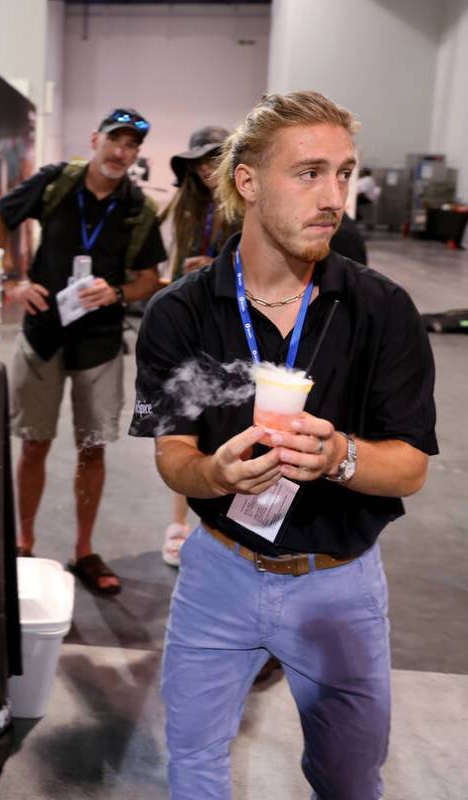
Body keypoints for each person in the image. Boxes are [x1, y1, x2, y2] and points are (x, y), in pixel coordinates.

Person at [130, 91, 437, 797]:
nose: (332, 196)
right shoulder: (180, 312)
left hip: (340, 583)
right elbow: (171, 455)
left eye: (342, 173)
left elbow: (410, 466)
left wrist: (341, 458)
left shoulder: (380, 308)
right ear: (246, 181)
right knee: (194, 764)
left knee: (348, 777)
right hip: (217, 573)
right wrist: (212, 471)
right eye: (308, 173)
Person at [0, 108, 166, 594]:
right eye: (114, 141)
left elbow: (150, 276)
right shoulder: (55, 184)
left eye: (131, 146)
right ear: (95, 139)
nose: (120, 153)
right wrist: (14, 280)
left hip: (100, 343)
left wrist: (119, 293)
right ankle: (24, 543)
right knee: (34, 442)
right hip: (43, 332)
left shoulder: (138, 209)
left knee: (93, 447)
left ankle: (83, 550)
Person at [159, 125, 241, 567]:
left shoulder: (246, 206)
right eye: (200, 161)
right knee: (183, 428)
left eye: (215, 159)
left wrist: (214, 265)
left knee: (227, 427)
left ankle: (221, 526)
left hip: (232, 328)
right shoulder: (185, 206)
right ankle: (179, 522)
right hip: (192, 324)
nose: (207, 169)